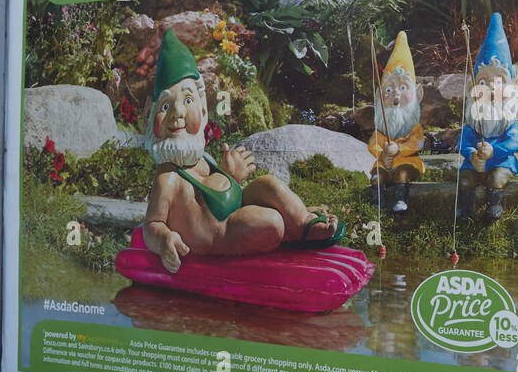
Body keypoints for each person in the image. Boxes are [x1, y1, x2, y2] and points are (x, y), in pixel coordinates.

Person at [142, 30, 340, 273]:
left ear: (203, 112)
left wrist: (230, 176)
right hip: (221, 234)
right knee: (270, 222)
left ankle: (301, 220)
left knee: (269, 184)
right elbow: (152, 224)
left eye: (188, 101)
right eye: (165, 105)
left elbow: (213, 194)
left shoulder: (201, 159)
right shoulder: (167, 180)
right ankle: (288, 230)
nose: (178, 113)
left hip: (235, 210)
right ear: (153, 120)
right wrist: (164, 240)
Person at [457, 13, 518, 222]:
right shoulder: (472, 122)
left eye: (499, 82)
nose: (492, 88)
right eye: (483, 82)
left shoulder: (509, 122)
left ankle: (494, 207)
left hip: (502, 161)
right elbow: (463, 141)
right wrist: (472, 155)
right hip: (475, 163)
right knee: (466, 179)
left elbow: (514, 142)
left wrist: (494, 150)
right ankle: (466, 211)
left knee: (496, 177)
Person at [367, 31, 425, 212]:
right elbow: (373, 143)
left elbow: (418, 142)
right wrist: (383, 153)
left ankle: (401, 200)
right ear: (379, 96)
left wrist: (399, 149)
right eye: (390, 89)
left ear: (418, 94)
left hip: (407, 162)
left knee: (402, 174)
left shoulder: (413, 127)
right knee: (377, 177)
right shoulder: (382, 130)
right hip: (384, 162)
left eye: (402, 87)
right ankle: (378, 202)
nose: (396, 94)